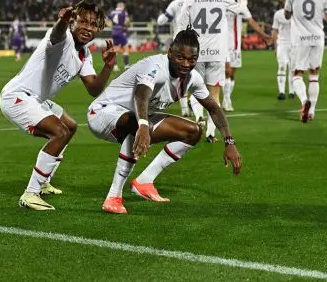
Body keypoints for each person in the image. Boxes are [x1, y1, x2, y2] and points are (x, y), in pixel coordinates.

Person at [87, 25, 242, 214]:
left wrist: (229, 141)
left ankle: (144, 182)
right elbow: (141, 95)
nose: (186, 64)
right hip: (102, 113)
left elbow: (213, 108)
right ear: (170, 52)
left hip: (138, 117)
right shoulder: (155, 67)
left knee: (193, 132)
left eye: (192, 59)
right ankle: (113, 196)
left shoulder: (192, 78)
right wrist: (143, 126)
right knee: (138, 125)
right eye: (181, 57)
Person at [0, 0, 116, 211]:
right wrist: (62, 20)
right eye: (83, 21)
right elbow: (56, 33)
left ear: (99, 29)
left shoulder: (85, 54)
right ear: (74, 21)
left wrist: (107, 67)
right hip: (17, 96)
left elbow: (94, 89)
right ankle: (30, 193)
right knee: (59, 132)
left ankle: (43, 182)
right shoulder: (63, 38)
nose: (87, 28)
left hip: (37, 99)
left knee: (70, 126)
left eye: (93, 25)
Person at [175, 0, 265, 142]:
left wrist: (179, 51)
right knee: (214, 94)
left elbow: (180, 27)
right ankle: (210, 132)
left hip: (196, 53)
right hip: (217, 53)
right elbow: (241, 10)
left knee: (195, 90)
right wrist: (243, 2)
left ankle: (198, 118)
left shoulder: (190, 0)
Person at [285, 0, 327, 123]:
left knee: (297, 74)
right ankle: (312, 111)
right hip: (317, 38)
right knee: (314, 75)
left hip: (301, 39)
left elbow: (286, 15)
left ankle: (304, 101)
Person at [218, 0, 269, 111]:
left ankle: (226, 99)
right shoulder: (217, 2)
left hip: (235, 44)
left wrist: (263, 35)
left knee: (232, 73)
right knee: (226, 72)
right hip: (220, 44)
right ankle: (227, 101)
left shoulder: (239, 4)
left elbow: (250, 21)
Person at [156, 0, 199, 117]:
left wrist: (161, 16)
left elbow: (161, 21)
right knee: (197, 76)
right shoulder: (200, 1)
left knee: (181, 76)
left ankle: (185, 109)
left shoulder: (175, 3)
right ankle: (196, 105)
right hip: (196, 43)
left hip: (179, 43)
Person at [271, 0, 295, 100]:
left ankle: (292, 91)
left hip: (294, 44)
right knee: (282, 66)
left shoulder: (296, 14)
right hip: (282, 43)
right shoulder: (278, 14)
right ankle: (281, 92)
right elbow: (275, 31)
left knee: (293, 68)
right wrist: (275, 46)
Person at [107, 1, 131, 70]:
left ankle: (115, 67)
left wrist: (111, 26)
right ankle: (126, 66)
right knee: (126, 48)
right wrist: (126, 26)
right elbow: (127, 21)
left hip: (114, 32)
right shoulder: (124, 12)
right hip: (121, 31)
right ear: (122, 6)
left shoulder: (112, 12)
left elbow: (106, 20)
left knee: (115, 50)